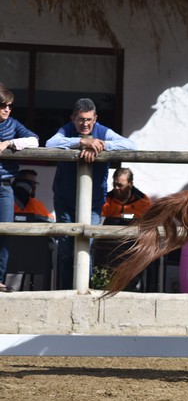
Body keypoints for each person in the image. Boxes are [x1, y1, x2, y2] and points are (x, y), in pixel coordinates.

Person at [46, 98, 136, 289]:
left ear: (95, 119)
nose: (85, 124)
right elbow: (49, 143)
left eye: (88, 120)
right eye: (80, 120)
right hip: (65, 199)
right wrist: (81, 142)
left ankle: (84, 290)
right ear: (72, 119)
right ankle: (65, 291)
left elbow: (130, 145)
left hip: (94, 201)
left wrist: (100, 145)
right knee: (66, 248)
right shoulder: (66, 131)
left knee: (88, 245)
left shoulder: (103, 131)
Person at [0, 83, 40, 291]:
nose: (7, 109)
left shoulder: (13, 124)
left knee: (6, 231)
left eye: (10, 106)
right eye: (2, 105)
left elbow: (34, 140)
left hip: (4, 187)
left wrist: (9, 144)